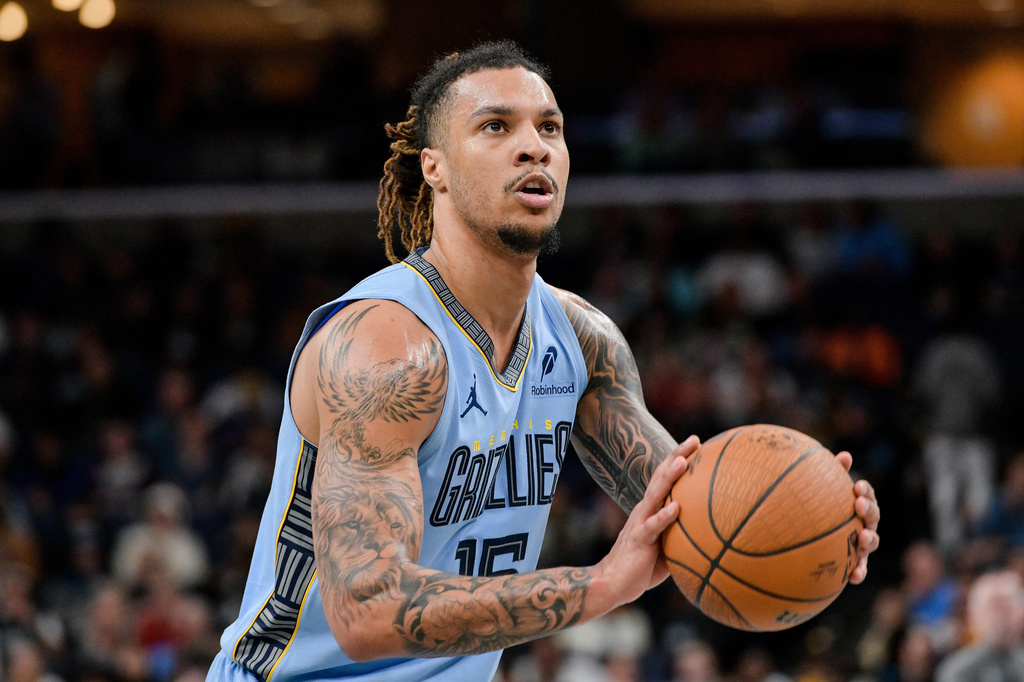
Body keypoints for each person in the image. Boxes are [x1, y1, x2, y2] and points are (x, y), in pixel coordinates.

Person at [206, 40, 880, 681]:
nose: (534, 146)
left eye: (550, 128)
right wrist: (600, 586)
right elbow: (368, 610)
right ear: (432, 166)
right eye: (495, 127)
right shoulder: (387, 347)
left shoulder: (582, 338)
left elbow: (690, 516)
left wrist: (818, 519)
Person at [935, 570, 1024, 682]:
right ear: (973, 616)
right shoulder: (958, 670)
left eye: (1007, 607)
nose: (1001, 617)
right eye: (994, 607)